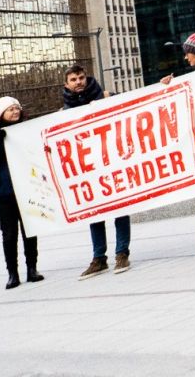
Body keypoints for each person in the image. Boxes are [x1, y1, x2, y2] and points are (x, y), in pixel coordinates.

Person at [63, 65, 130, 276]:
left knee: (119, 207)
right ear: (66, 84)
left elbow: (134, 104)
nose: (78, 82)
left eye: (81, 77)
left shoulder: (106, 96)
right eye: (73, 79)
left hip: (111, 161)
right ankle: (99, 257)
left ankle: (122, 254)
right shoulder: (64, 112)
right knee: (95, 211)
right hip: (88, 168)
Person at [0, 97, 43, 290]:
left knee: (30, 231)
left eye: (17, 108)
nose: (15, 112)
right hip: (3, 192)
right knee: (9, 234)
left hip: (26, 188)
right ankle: (12, 273)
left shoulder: (26, 130)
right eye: (10, 109)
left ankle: (32, 268)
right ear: (1, 114)